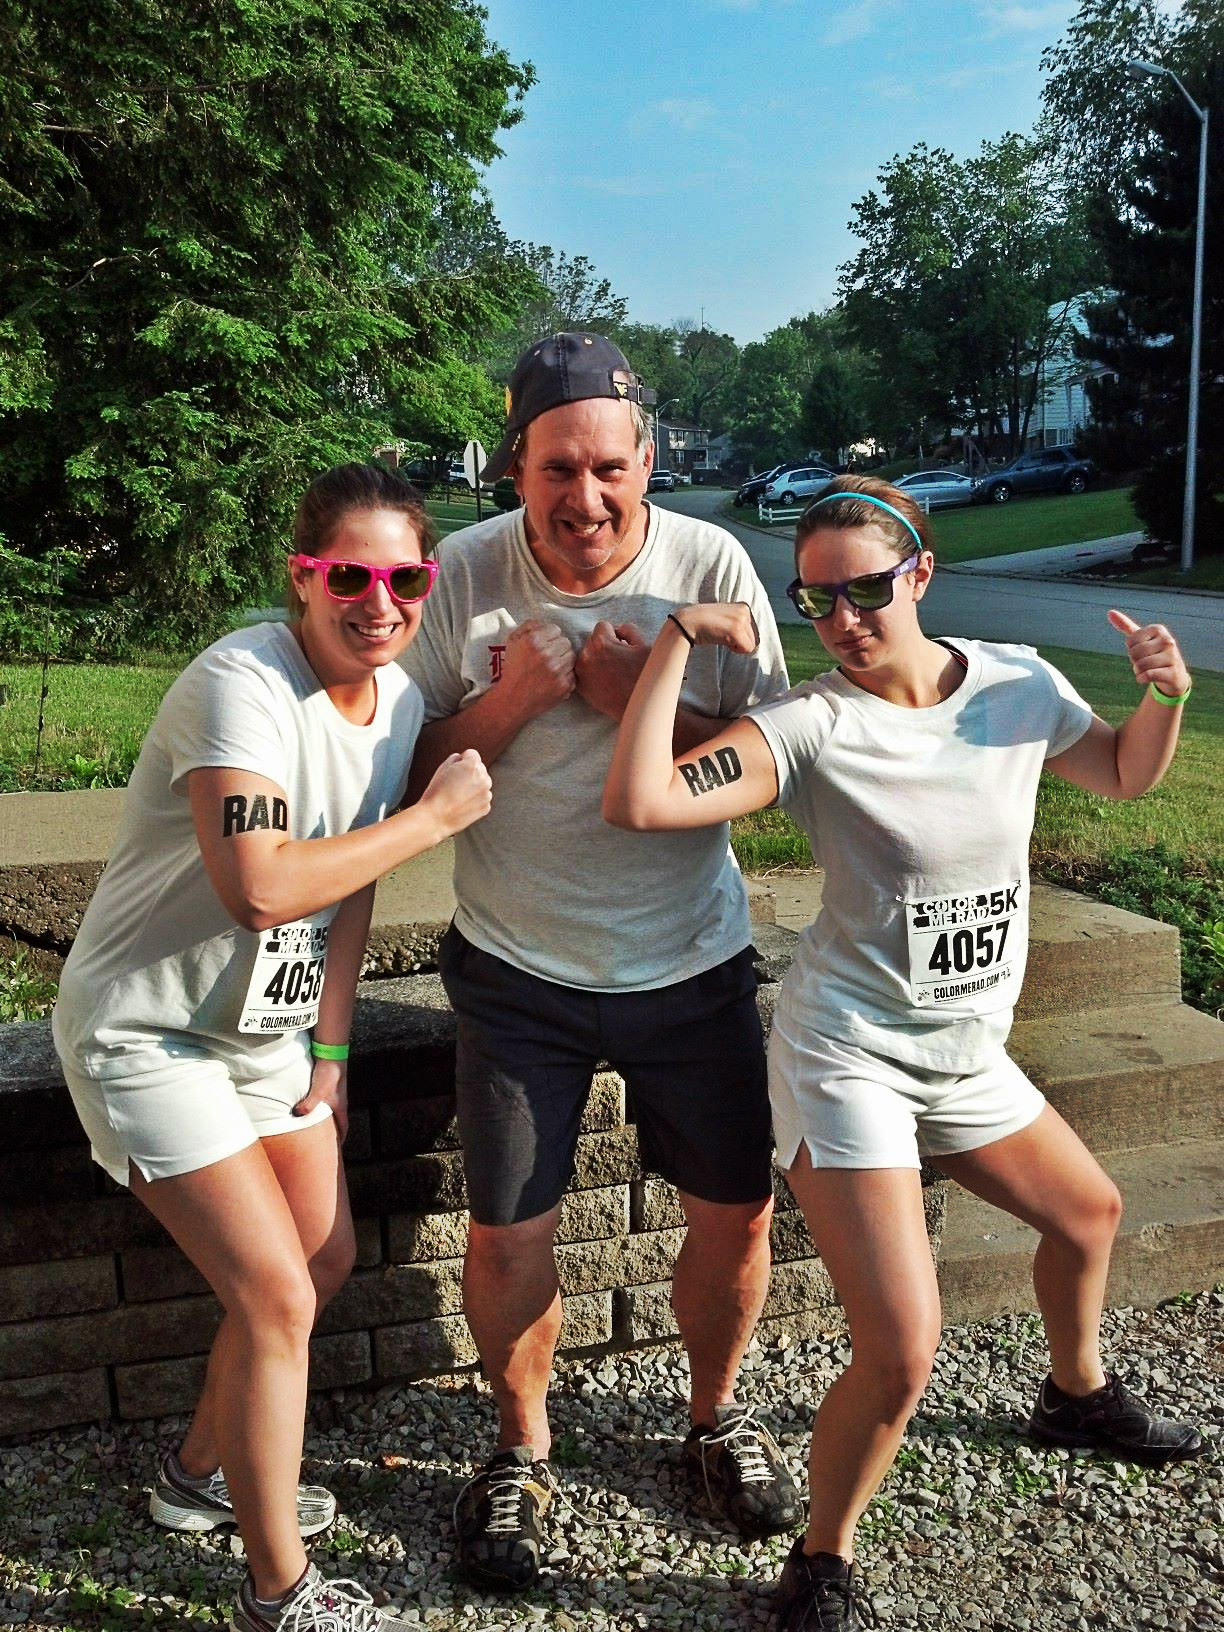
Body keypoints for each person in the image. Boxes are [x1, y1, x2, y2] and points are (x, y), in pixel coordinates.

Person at [602, 475, 1203, 1630]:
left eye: (866, 591)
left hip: (967, 1050)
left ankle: (1074, 1393)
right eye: (816, 602)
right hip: (849, 1060)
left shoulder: (1020, 684)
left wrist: (1165, 695)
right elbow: (639, 800)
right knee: (902, 1347)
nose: (843, 621)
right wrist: (679, 639)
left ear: (919, 573)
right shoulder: (814, 723)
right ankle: (820, 1561)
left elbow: (1126, 772)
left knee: (1088, 1217)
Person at [52, 462, 493, 1632]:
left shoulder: (395, 701)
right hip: (148, 1033)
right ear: (302, 578)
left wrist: (331, 1055)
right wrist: (434, 818)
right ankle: (277, 1592)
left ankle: (197, 1473)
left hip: (268, 1036)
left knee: (321, 1263)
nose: (378, 600)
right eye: (348, 575)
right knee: (277, 1301)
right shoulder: (240, 684)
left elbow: (347, 884)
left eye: (404, 576)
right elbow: (260, 889)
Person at [401, 331, 802, 1592]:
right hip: (518, 968)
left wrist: (647, 701)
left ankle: (715, 1416)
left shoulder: (713, 563)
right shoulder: (459, 575)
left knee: (734, 1215)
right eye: (555, 468)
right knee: (508, 1229)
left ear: (649, 459)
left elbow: (777, 769)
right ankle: (521, 1452)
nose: (585, 498)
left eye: (610, 467)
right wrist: (516, 701)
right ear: (515, 463)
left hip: (691, 960)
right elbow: (398, 770)